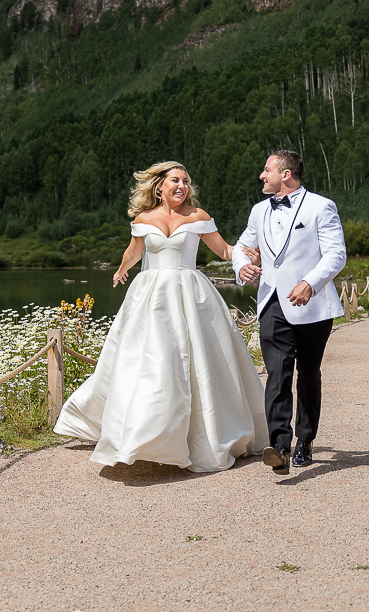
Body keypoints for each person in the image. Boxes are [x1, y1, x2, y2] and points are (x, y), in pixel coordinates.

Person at [54, 161, 269, 473]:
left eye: (185, 181)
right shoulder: (144, 218)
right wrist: (122, 268)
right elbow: (135, 251)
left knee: (198, 364)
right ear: (159, 186)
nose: (181, 186)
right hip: (150, 298)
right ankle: (142, 434)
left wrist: (248, 254)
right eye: (174, 180)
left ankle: (200, 436)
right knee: (150, 363)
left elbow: (223, 250)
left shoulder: (198, 216)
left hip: (191, 295)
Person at [232, 149, 346, 476]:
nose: (261, 175)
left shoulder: (320, 206)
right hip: (272, 303)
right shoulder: (257, 212)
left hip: (313, 305)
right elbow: (241, 249)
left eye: (266, 169)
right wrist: (243, 268)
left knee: (308, 374)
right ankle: (279, 446)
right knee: (277, 373)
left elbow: (336, 255)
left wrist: (311, 282)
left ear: (285, 173)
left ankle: (305, 440)